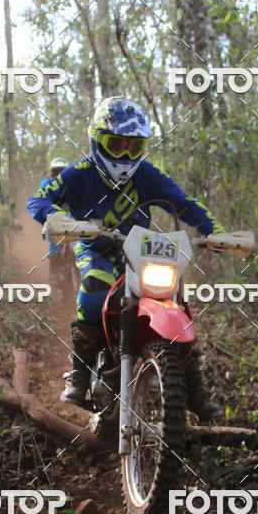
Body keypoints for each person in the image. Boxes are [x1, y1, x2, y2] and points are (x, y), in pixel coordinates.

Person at [27, 97, 225, 420]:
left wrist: (215, 231)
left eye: (133, 146)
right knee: (94, 292)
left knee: (176, 300)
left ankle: (195, 387)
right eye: (116, 144)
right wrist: (60, 218)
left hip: (140, 251)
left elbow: (184, 203)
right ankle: (79, 371)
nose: (125, 154)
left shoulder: (147, 174)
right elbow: (38, 199)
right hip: (96, 249)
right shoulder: (81, 173)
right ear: (98, 140)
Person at [38, 157, 70, 286]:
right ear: (51, 172)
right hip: (54, 218)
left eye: (62, 171)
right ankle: (54, 273)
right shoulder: (46, 183)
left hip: (72, 217)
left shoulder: (73, 182)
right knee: (55, 245)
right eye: (56, 171)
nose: (58, 174)